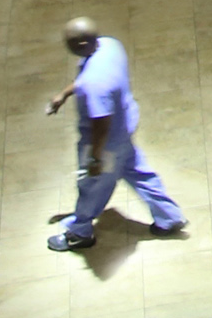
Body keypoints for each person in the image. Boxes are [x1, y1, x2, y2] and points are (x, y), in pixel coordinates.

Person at [43, 18, 185, 251]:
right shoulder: (109, 45)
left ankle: (80, 232)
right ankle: (169, 217)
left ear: (79, 44)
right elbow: (86, 77)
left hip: (106, 144)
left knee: (92, 186)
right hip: (124, 127)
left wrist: (95, 158)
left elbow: (101, 122)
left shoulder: (95, 86)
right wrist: (64, 94)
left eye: (68, 42)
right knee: (138, 172)